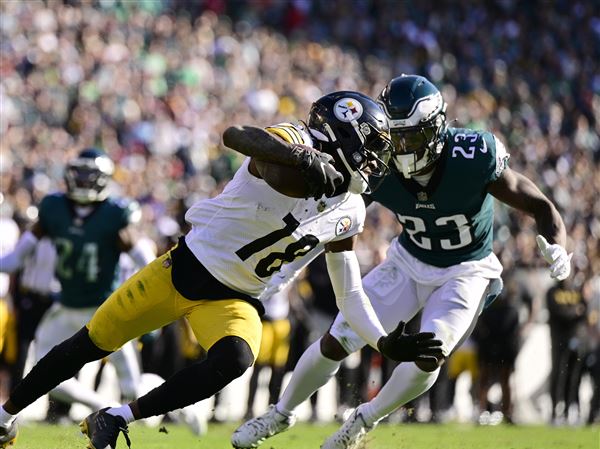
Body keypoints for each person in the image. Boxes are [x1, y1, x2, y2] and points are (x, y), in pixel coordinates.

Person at [0, 91, 443, 449]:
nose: (373, 161)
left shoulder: (351, 208)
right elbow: (239, 136)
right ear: (340, 133)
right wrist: (307, 161)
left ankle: (116, 417)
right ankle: (4, 417)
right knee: (90, 343)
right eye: (369, 147)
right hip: (183, 270)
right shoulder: (295, 140)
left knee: (235, 358)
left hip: (238, 298)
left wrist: (384, 342)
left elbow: (349, 293)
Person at [232, 74, 572, 449]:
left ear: (436, 130)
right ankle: (280, 413)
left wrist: (556, 242)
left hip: (466, 270)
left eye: (411, 136)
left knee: (431, 353)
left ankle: (364, 419)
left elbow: (538, 203)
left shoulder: (473, 157)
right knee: (339, 338)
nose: (402, 148)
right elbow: (337, 218)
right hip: (409, 260)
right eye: (395, 137)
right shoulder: (379, 164)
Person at [0, 148, 156, 444]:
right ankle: (101, 407)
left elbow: (147, 264)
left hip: (105, 308)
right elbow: (16, 260)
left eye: (90, 176)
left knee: (134, 389)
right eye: (79, 175)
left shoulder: (115, 213)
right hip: (66, 305)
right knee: (41, 374)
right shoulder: (53, 208)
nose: (83, 182)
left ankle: (181, 408)